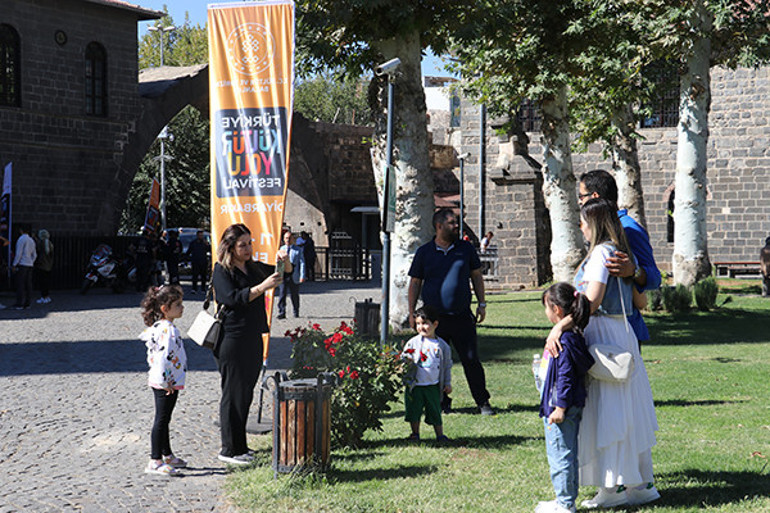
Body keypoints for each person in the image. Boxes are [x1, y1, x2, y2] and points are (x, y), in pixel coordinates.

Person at [548, 198, 659, 509]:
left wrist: (560, 327)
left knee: (607, 410)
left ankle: (612, 487)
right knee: (626, 410)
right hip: (622, 332)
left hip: (602, 332)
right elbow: (641, 303)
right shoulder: (623, 253)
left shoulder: (600, 253)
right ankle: (640, 482)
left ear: (593, 224)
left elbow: (591, 301)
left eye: (583, 222)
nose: (580, 228)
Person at [408, 208, 495, 416]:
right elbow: (415, 283)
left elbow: (476, 277)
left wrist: (482, 303)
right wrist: (412, 313)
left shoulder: (465, 249)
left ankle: (483, 402)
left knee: (471, 360)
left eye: (456, 222)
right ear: (439, 226)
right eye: (452, 223)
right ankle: (441, 402)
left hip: (462, 316)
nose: (456, 226)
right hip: (434, 321)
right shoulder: (424, 252)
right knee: (436, 363)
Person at [212, 223, 286, 465]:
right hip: (231, 339)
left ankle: (241, 447)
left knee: (245, 394)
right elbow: (231, 298)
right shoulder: (222, 270)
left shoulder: (252, 267)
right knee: (232, 394)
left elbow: (282, 273)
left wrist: (285, 259)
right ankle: (228, 449)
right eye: (242, 244)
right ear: (230, 247)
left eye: (249, 243)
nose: (247, 248)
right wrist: (261, 288)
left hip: (253, 336)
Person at [578, 170, 661, 348]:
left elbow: (655, 278)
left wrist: (634, 271)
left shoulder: (629, 229)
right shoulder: (597, 232)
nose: (579, 201)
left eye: (581, 196)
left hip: (620, 331)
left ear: (594, 196)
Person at [535, 283, 594, 513]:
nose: (546, 313)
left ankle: (565, 504)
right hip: (565, 406)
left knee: (560, 456)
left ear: (557, 310)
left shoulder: (564, 341)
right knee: (566, 454)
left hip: (560, 409)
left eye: (546, 308)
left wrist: (559, 407)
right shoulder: (572, 336)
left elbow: (565, 376)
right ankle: (565, 499)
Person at [139, 284, 188, 476]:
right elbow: (163, 357)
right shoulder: (167, 330)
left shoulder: (160, 327)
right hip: (166, 382)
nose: (182, 307)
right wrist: (167, 381)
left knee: (165, 418)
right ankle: (155, 460)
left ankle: (166, 454)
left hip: (164, 380)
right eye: (178, 304)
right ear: (164, 309)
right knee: (161, 419)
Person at [400, 305, 452, 442]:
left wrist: (447, 383)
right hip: (415, 385)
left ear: (435, 324)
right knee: (414, 410)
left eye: (424, 323)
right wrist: (405, 364)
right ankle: (415, 433)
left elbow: (447, 366)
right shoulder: (413, 343)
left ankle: (440, 435)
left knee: (435, 410)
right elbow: (403, 359)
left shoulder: (442, 346)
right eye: (418, 324)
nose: (421, 327)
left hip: (433, 385)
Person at [276, 231, 306, 319]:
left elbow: (302, 263)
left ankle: (296, 311)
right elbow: (278, 263)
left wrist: (302, 275)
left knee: (294, 295)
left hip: (294, 274)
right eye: (286, 238)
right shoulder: (281, 249)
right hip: (284, 275)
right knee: (282, 294)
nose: (288, 240)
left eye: (289, 238)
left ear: (293, 239)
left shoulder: (298, 250)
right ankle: (282, 311)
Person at [11, 224, 36, 310]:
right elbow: (34, 254)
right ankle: (27, 303)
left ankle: (19, 303)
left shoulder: (21, 239)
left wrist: (14, 264)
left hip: (22, 264)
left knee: (20, 284)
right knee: (28, 284)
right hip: (29, 264)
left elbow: (18, 253)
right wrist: (31, 261)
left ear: (21, 230)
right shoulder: (31, 240)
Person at [187, 230, 211, 294]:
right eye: (200, 235)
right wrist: (187, 258)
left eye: (202, 235)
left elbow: (209, 250)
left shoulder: (204, 243)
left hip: (203, 261)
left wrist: (207, 244)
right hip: (195, 261)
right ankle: (194, 288)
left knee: (203, 276)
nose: (201, 236)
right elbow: (189, 251)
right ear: (197, 235)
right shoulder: (193, 243)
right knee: (195, 275)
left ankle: (203, 288)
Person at [34, 229, 54, 304]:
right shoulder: (50, 243)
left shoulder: (41, 243)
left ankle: (43, 297)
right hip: (48, 266)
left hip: (42, 265)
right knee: (46, 282)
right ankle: (47, 296)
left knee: (42, 282)